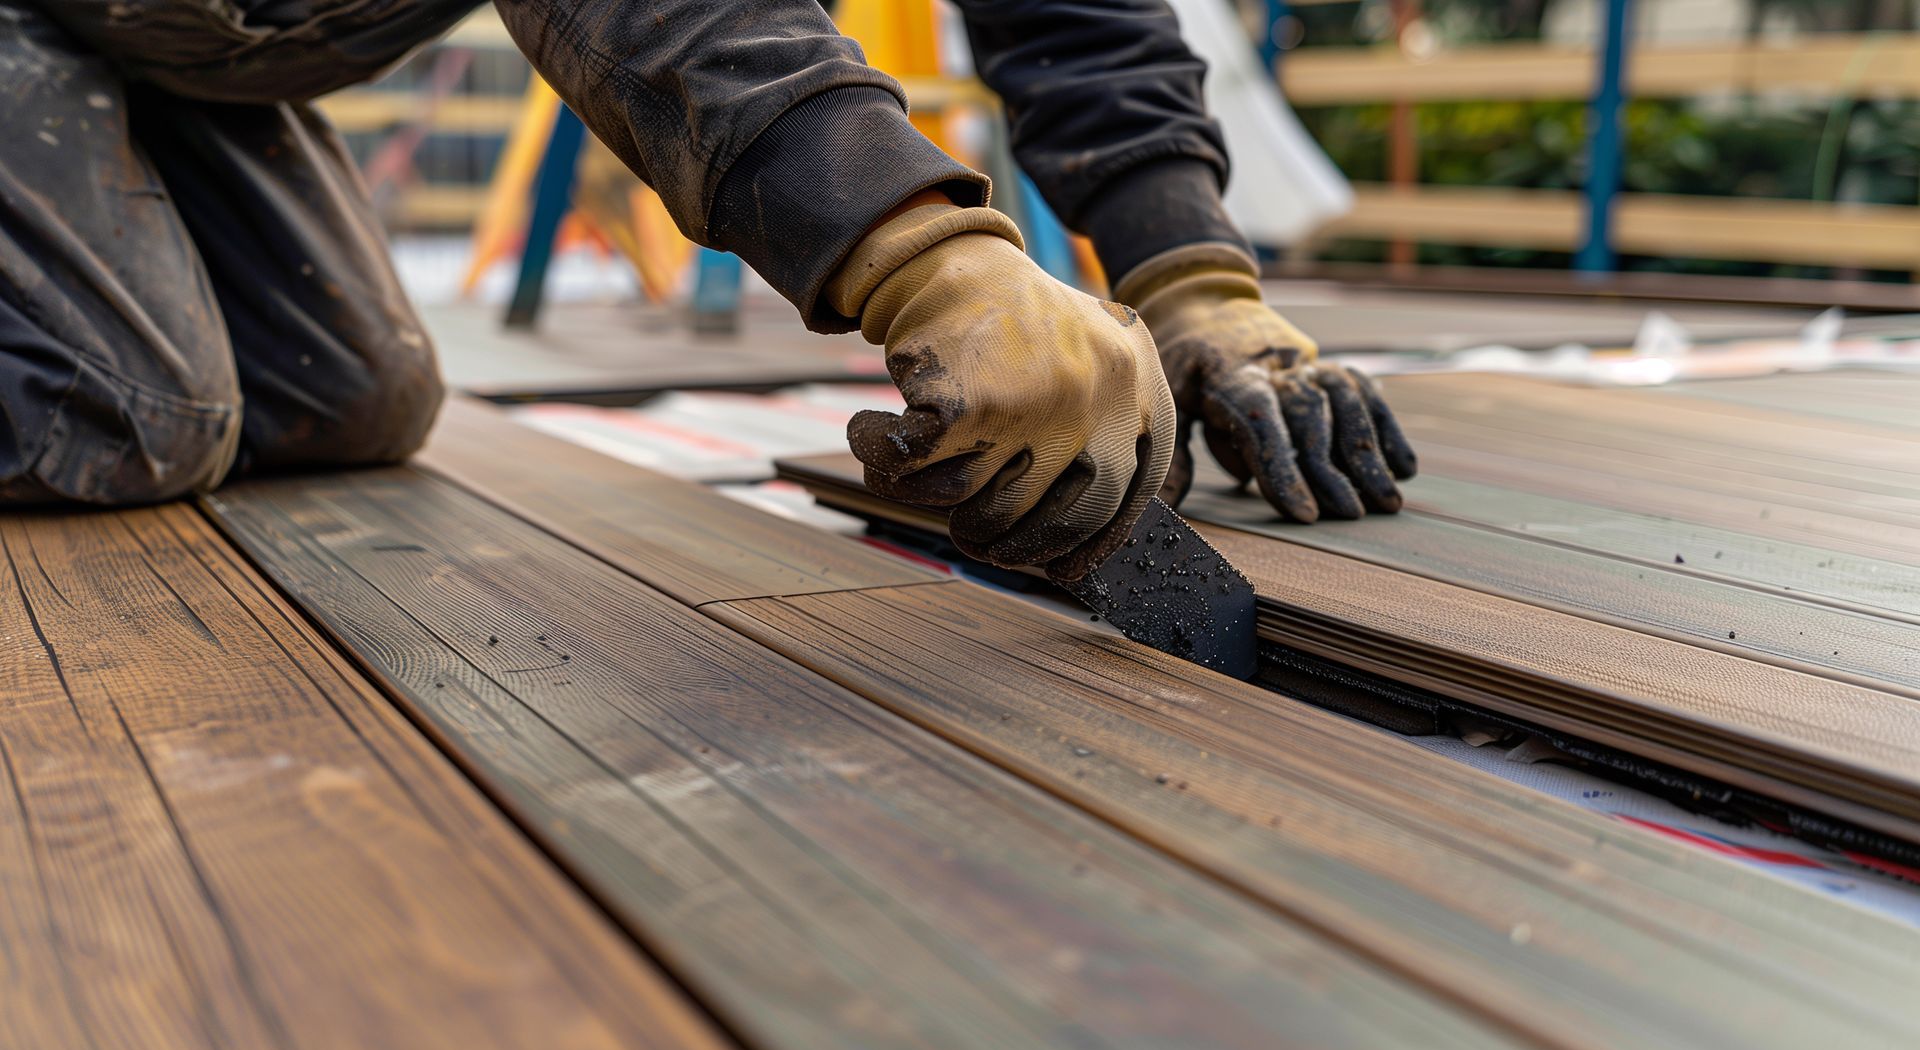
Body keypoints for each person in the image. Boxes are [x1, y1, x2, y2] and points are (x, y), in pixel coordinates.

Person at [3, 0, 1414, 581]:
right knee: (125, 410)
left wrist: (1192, 274)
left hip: (162, 41)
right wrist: (918, 253)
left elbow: (1073, 13)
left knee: (342, 401)